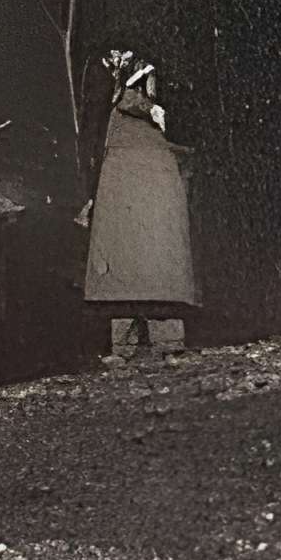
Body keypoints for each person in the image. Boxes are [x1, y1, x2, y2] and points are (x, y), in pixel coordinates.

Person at [83, 51, 199, 359]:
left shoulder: (153, 70)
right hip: (122, 162)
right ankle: (127, 344)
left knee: (155, 258)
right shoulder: (106, 73)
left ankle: (164, 342)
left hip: (148, 160)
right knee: (125, 258)